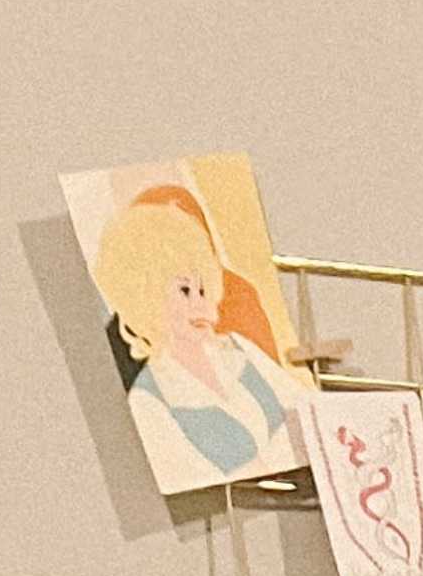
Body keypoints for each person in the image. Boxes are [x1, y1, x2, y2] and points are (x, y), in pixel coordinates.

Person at [89, 181, 299, 479]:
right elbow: (196, 480)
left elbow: (308, 412)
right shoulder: (149, 401)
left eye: (204, 289)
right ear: (148, 298)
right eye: (185, 291)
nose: (205, 307)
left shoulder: (238, 348)